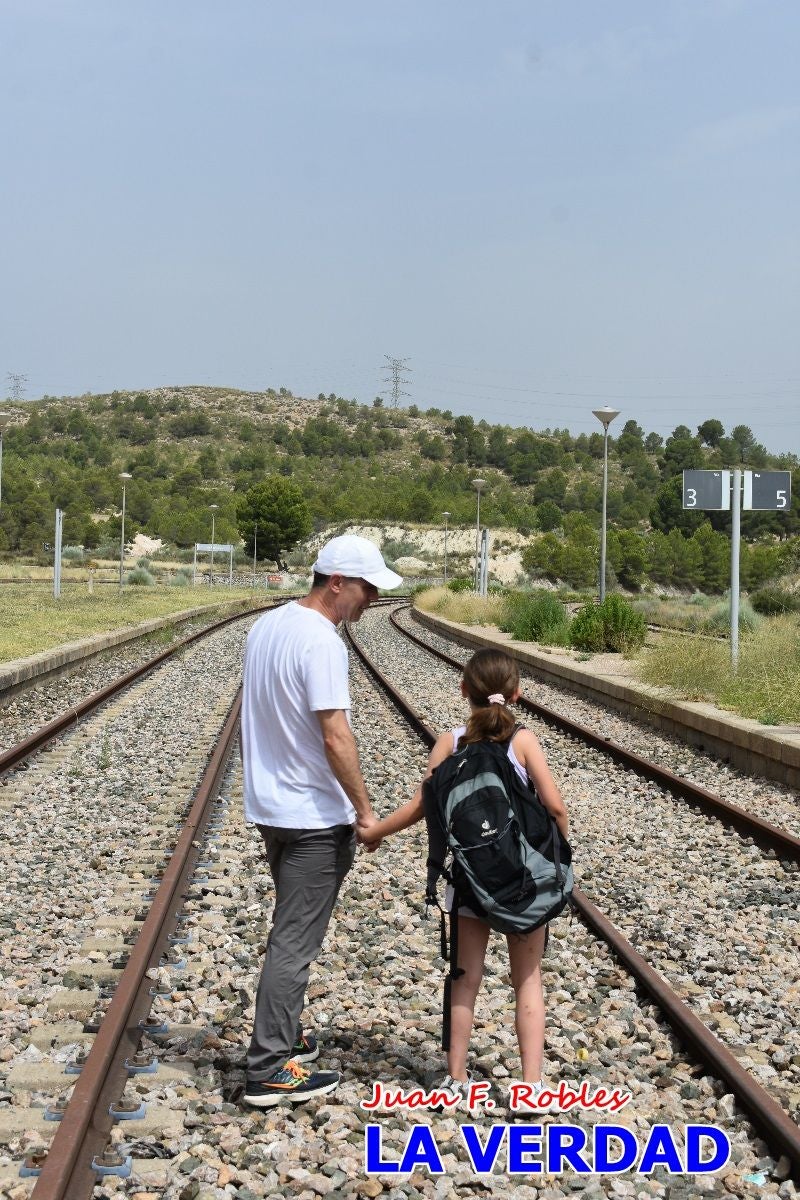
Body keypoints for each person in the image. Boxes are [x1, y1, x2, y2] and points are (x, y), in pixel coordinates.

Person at [361, 647, 569, 1102]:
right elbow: (554, 807)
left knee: (464, 976)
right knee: (528, 980)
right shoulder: (524, 741)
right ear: (517, 694)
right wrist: (559, 858)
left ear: (463, 691)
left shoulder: (449, 743)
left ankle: (454, 1078)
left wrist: (375, 830)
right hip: (524, 883)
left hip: (470, 879)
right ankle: (531, 1086)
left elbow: (424, 805)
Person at [240, 534, 402, 1107]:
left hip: (271, 808)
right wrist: (364, 810)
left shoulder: (268, 626)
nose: (371, 599)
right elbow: (336, 735)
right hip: (312, 816)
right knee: (295, 940)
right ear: (336, 582)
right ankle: (268, 1067)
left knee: (289, 925)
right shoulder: (324, 643)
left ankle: (283, 1035)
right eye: (367, 588)